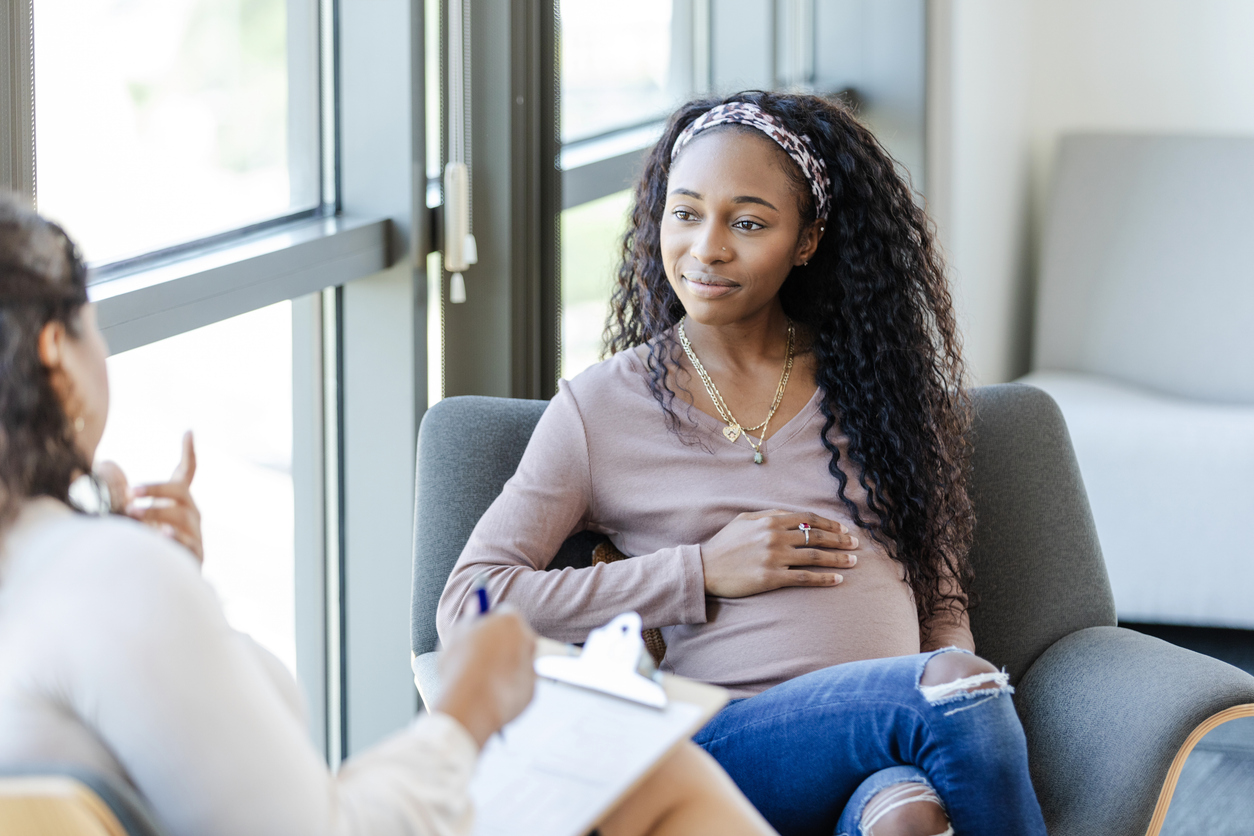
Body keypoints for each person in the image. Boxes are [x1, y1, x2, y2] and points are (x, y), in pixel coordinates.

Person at [0, 192, 775, 836]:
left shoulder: (78, 573)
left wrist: (180, 589)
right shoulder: (106, 582)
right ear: (53, 352)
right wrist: (469, 711)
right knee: (658, 778)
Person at [437, 91, 1050, 836]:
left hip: (884, 740)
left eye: (749, 222)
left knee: (909, 819)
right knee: (961, 689)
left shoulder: (882, 390)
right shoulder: (600, 410)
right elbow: (469, 603)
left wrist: (937, 734)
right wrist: (697, 571)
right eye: (686, 213)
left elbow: (941, 606)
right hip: (723, 744)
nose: (708, 248)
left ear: (807, 240)